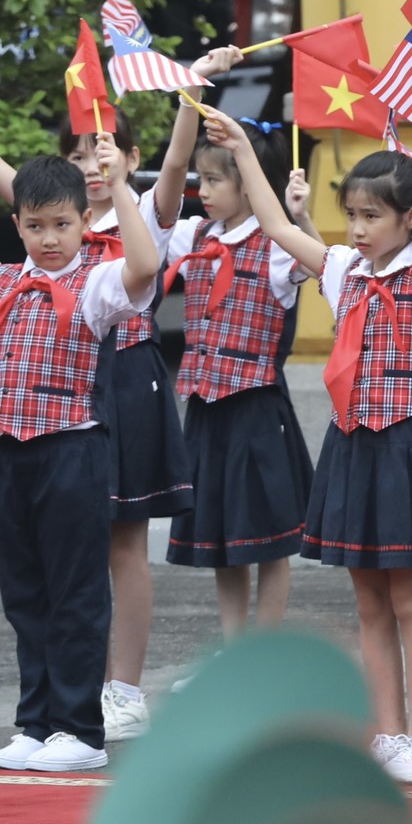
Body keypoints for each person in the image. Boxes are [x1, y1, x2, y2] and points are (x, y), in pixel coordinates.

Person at [212, 111, 412, 785]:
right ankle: (386, 733)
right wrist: (245, 146)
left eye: (372, 216)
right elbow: (276, 225)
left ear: (411, 218)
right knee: (368, 603)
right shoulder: (339, 269)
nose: (357, 229)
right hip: (355, 444)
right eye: (352, 215)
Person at [0, 53, 188, 745]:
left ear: (79, 222)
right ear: (19, 224)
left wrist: (119, 187)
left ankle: (79, 727)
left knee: (78, 590)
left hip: (75, 449)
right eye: (36, 227)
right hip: (9, 452)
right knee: (24, 595)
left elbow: (147, 267)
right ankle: (34, 724)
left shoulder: (97, 281)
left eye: (62, 226)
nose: (50, 239)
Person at [147, 61, 318, 642]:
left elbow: (318, 264)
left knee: (269, 538)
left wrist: (301, 217)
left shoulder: (273, 246)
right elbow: (164, 196)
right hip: (206, 407)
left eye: (214, 181)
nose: (203, 191)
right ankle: (232, 649)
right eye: (201, 180)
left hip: (254, 408)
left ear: (249, 184)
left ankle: (263, 651)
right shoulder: (194, 235)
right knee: (221, 538)